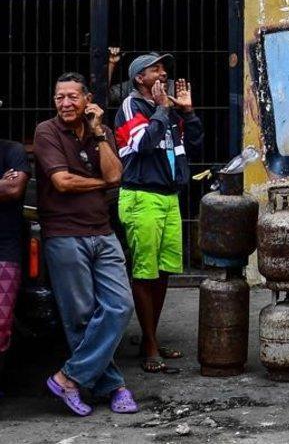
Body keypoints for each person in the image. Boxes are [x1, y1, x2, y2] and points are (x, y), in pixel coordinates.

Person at [33, 72, 137, 416]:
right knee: (80, 316)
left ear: (87, 100)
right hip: (64, 235)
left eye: (72, 97)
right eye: (60, 97)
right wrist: (99, 182)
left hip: (102, 232)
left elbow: (116, 174)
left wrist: (97, 133)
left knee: (119, 305)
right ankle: (115, 387)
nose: (65, 103)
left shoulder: (100, 133)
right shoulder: (47, 132)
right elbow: (62, 182)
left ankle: (68, 378)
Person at [113, 53, 203, 374]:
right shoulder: (132, 107)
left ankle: (152, 335)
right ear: (140, 78)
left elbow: (195, 143)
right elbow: (145, 143)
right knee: (144, 272)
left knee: (163, 270)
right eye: (156, 69)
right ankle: (149, 343)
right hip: (141, 197)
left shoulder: (166, 109)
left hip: (168, 197)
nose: (163, 73)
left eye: (163, 68)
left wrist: (188, 112)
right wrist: (164, 109)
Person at [0, 140, 31, 386]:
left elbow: (13, 190)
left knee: (1, 324)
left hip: (4, 249)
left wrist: (6, 185)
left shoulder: (12, 151)